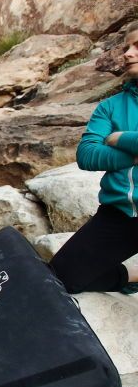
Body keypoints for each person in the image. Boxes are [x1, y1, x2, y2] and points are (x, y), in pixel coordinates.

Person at [50, 20, 138, 295]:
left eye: (137, 47)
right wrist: (133, 158)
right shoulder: (110, 107)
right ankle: (133, 275)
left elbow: (105, 146)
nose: (128, 53)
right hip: (122, 214)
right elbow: (87, 155)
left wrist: (119, 138)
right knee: (60, 277)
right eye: (127, 47)